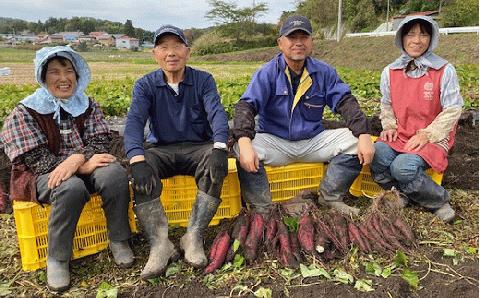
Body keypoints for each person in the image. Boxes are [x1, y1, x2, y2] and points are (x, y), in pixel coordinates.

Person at [0, 46, 133, 291]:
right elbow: (37, 161)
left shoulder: (86, 104)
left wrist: (79, 159)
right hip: (41, 176)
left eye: (68, 71)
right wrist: (79, 166)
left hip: (83, 164)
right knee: (70, 187)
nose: (64, 78)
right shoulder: (26, 111)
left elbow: (101, 139)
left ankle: (119, 240)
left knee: (114, 173)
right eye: (54, 72)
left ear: (77, 73)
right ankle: (58, 258)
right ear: (42, 77)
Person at [232, 15, 375, 216]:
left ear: (311, 42)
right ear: (280, 43)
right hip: (276, 142)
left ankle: (330, 197)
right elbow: (246, 106)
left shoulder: (324, 72)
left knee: (355, 140)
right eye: (292, 37)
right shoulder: (266, 73)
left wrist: (364, 134)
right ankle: (262, 210)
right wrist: (245, 142)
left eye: (304, 37)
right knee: (241, 147)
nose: (298, 42)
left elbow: (345, 102)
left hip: (312, 141)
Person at [124, 25, 229, 279]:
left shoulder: (203, 80)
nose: (171, 53)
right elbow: (134, 123)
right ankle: (160, 244)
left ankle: (193, 235)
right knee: (142, 166)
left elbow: (217, 114)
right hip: (162, 149)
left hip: (197, 148)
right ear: (155, 54)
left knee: (215, 165)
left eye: (177, 46)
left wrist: (219, 147)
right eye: (164, 47)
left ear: (187, 52)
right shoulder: (145, 85)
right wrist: (137, 159)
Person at [369, 16, 462, 223]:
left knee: (402, 167)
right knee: (376, 155)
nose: (416, 40)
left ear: (432, 38)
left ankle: (438, 201)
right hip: (402, 132)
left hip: (433, 135)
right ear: (401, 38)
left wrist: (427, 134)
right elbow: (387, 104)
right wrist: (390, 125)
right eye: (410, 34)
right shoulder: (390, 71)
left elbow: (453, 109)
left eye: (423, 34)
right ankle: (400, 194)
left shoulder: (444, 70)